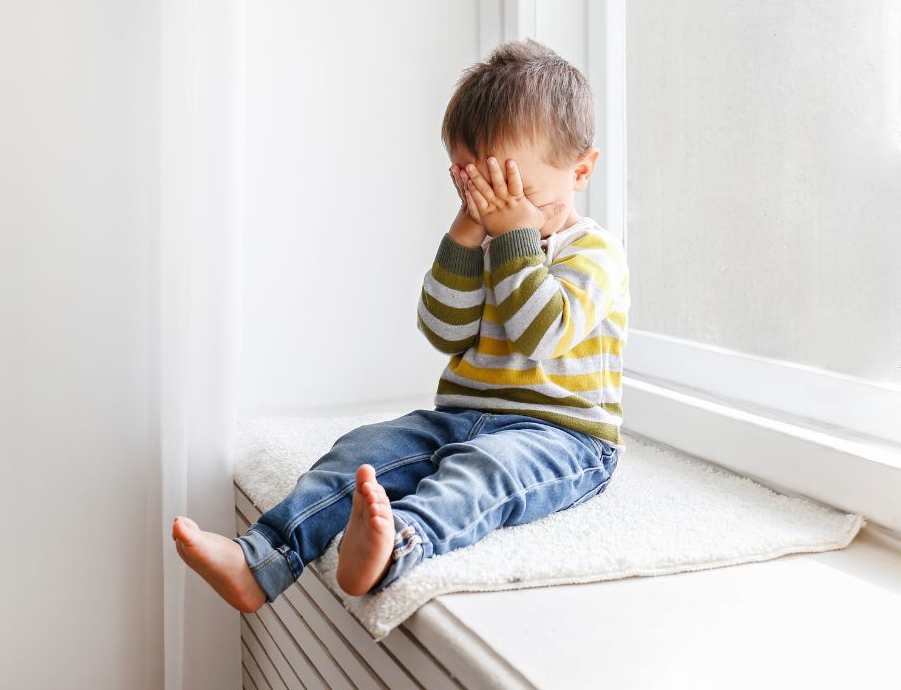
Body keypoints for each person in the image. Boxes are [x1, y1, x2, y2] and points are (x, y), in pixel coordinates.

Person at [172, 38, 630, 613]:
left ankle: (394, 546)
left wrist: (511, 239)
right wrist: (465, 237)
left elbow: (541, 335)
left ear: (581, 169)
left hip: (561, 436)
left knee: (486, 474)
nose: (498, 210)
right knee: (365, 449)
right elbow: (444, 330)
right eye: (479, 191)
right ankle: (260, 557)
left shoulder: (593, 253)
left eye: (521, 193)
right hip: (460, 415)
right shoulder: (486, 241)